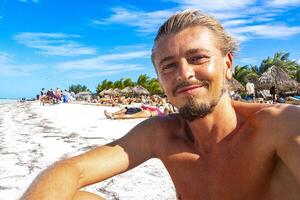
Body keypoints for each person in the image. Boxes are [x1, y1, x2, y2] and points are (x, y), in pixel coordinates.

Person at [21, 10, 300, 200]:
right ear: (159, 77)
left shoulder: (279, 125)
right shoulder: (161, 134)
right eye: (168, 66)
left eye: (198, 58)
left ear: (228, 64)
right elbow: (70, 170)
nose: (184, 74)